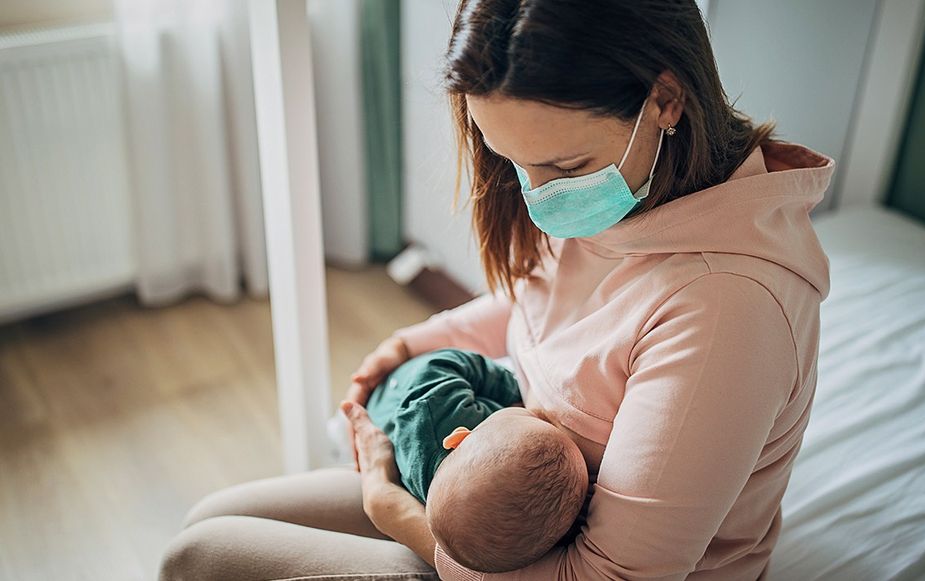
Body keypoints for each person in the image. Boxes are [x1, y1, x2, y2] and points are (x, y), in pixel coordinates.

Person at [158, 0, 835, 579]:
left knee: (199, 557)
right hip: (496, 512)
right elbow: (546, 305)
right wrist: (413, 343)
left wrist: (399, 517)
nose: (538, 197)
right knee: (209, 517)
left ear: (664, 99)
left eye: (563, 167)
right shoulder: (635, 190)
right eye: (514, 163)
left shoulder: (727, 311)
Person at [359, 347, 590, 572]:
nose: (536, 412)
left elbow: (437, 365)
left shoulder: (436, 414)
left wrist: (511, 389)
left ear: (459, 437)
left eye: (529, 416)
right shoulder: (467, 516)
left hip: (386, 398)